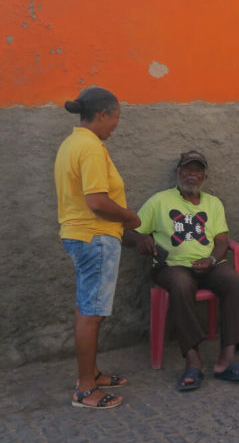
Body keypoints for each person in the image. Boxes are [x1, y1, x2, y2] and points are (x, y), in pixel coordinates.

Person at [133, 150, 239, 391]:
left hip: (208, 265)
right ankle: (193, 360)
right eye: (187, 170)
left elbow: (222, 241)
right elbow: (132, 230)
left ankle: (227, 359)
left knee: (234, 281)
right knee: (181, 284)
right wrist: (139, 240)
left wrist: (211, 260)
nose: (192, 175)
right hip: (172, 266)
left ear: (204, 176)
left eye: (197, 170)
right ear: (178, 172)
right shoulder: (159, 201)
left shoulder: (213, 203)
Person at [55, 86, 142, 410]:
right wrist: (129, 217)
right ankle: (85, 389)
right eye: (116, 117)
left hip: (81, 235)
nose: (117, 124)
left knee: (87, 308)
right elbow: (97, 201)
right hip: (95, 236)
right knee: (91, 314)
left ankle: (91, 372)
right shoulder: (90, 147)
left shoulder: (72, 143)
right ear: (102, 114)